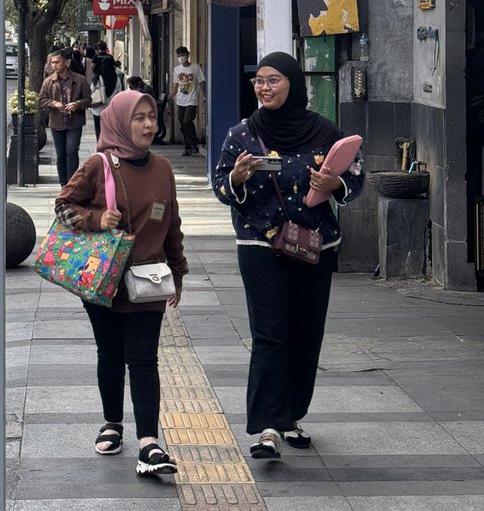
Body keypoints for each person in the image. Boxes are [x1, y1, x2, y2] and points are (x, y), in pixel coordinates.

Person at [211, 52, 365, 460]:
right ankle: (265, 426)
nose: (265, 87)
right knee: (270, 334)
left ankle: (291, 416)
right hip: (260, 245)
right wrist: (236, 178)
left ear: (293, 83)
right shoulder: (242, 135)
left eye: (274, 79)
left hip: (315, 246)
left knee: (306, 334)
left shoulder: (324, 131)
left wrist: (334, 183)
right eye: (259, 80)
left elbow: (356, 176)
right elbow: (221, 186)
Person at [55, 90, 188, 475]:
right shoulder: (98, 165)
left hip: (148, 281)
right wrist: (97, 219)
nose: (148, 125)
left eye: (152, 117)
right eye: (139, 118)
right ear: (119, 122)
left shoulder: (163, 167)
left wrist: (178, 270)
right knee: (111, 354)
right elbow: (64, 205)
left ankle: (149, 443)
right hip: (104, 281)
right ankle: (112, 423)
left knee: (144, 359)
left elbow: (171, 224)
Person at [38, 49, 92, 186]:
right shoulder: (48, 81)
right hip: (57, 122)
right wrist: (53, 103)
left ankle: (72, 183)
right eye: (52, 62)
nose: (54, 65)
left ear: (66, 62)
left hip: (74, 122)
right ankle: (64, 184)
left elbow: (89, 99)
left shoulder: (80, 80)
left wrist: (77, 104)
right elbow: (41, 100)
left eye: (57, 62)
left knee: (72, 151)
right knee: (61, 154)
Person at [171, 46, 205, 155]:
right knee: (182, 124)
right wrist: (170, 96)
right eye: (179, 55)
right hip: (180, 100)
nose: (181, 57)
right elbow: (175, 86)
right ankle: (187, 146)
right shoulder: (177, 69)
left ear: (188, 55)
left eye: (183, 55)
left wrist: (205, 96)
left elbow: (201, 82)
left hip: (192, 99)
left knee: (187, 121)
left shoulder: (195, 68)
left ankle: (193, 143)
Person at [90, 44, 119, 141]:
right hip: (111, 110)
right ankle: (109, 144)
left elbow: (91, 92)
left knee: (99, 129)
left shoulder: (97, 78)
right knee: (109, 129)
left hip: (98, 109)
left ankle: (100, 144)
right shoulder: (117, 79)